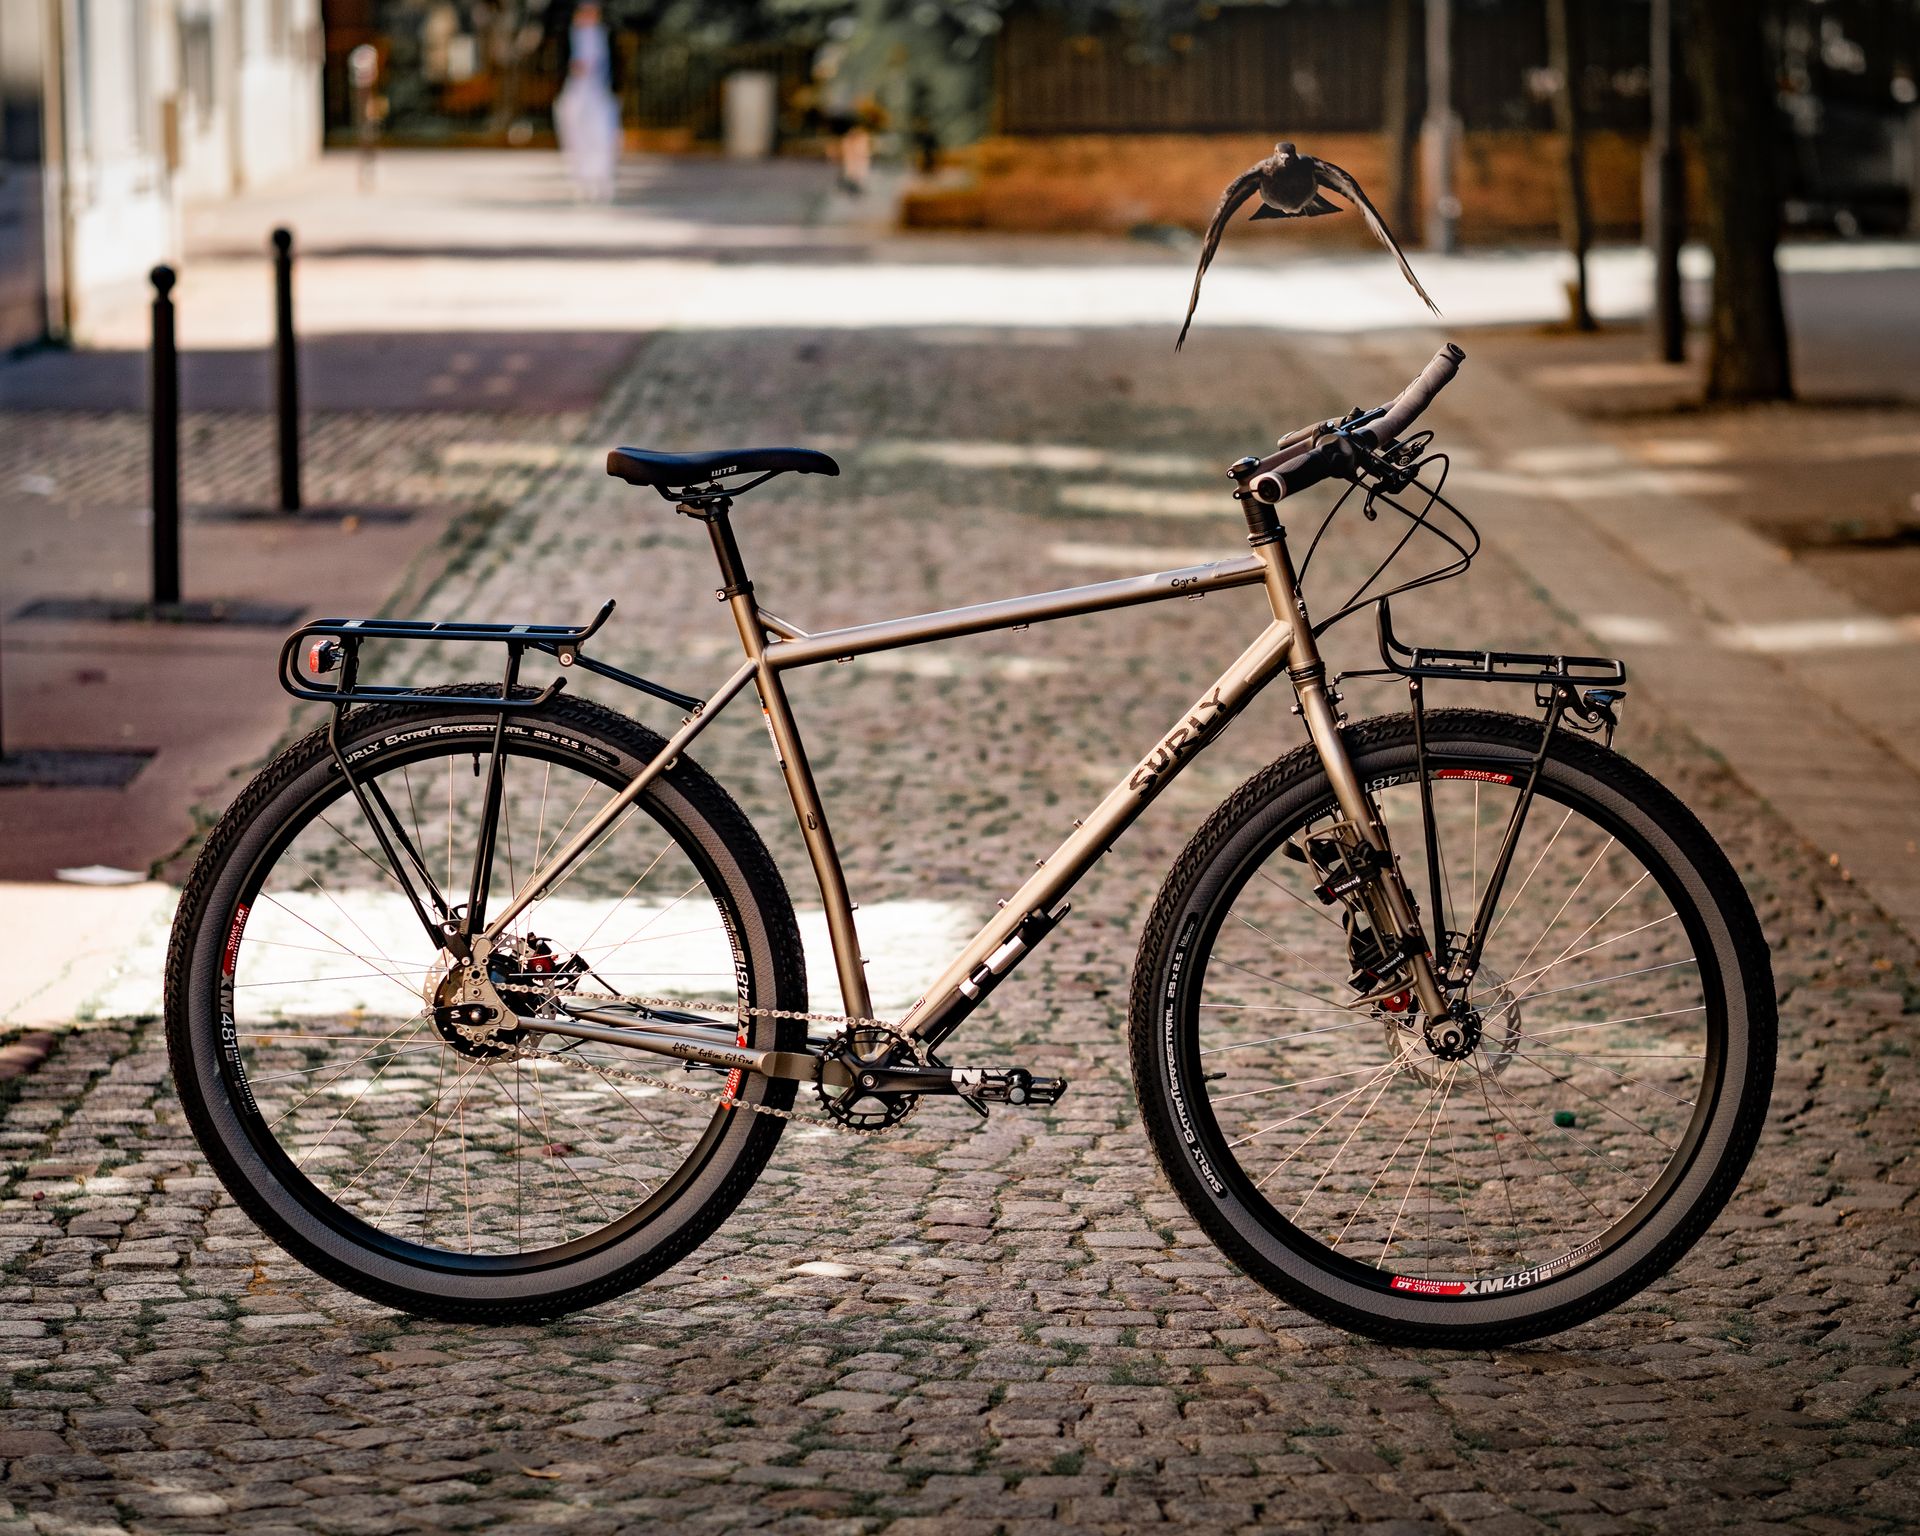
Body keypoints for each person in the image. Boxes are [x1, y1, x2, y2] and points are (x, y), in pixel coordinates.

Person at [554, 3, 619, 203]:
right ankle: (580, 179)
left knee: (603, 137)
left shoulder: (607, 34)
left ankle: (601, 178)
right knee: (575, 137)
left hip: (601, 93)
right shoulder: (566, 35)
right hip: (573, 93)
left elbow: (616, 63)